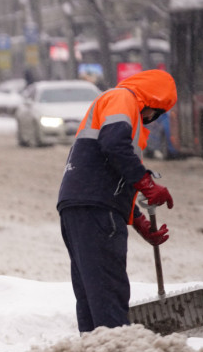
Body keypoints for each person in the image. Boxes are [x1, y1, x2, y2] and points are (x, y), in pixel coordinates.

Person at [57, 69, 177, 333]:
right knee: (108, 293)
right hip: (96, 210)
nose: (150, 120)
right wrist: (146, 183)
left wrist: (139, 221)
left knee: (91, 294)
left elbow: (109, 177)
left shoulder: (110, 104)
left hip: (79, 205)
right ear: (153, 101)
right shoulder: (124, 98)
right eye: (156, 113)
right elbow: (114, 145)